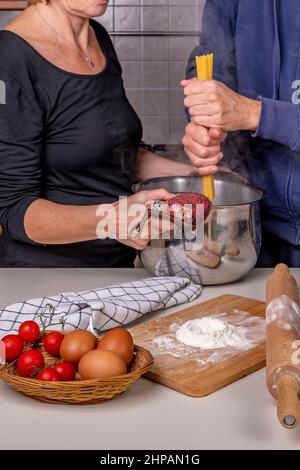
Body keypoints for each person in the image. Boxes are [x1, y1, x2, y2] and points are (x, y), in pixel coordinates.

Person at [0, 0, 191, 268]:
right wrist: (111, 221)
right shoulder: (9, 59)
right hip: (45, 276)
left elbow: (113, 151)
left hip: (115, 268)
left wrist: (198, 176)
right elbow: (14, 210)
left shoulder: (96, 37)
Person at [182, 0, 300, 267]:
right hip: (256, 226)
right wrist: (207, 122)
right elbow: (210, 60)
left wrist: (253, 114)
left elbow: (246, 111)